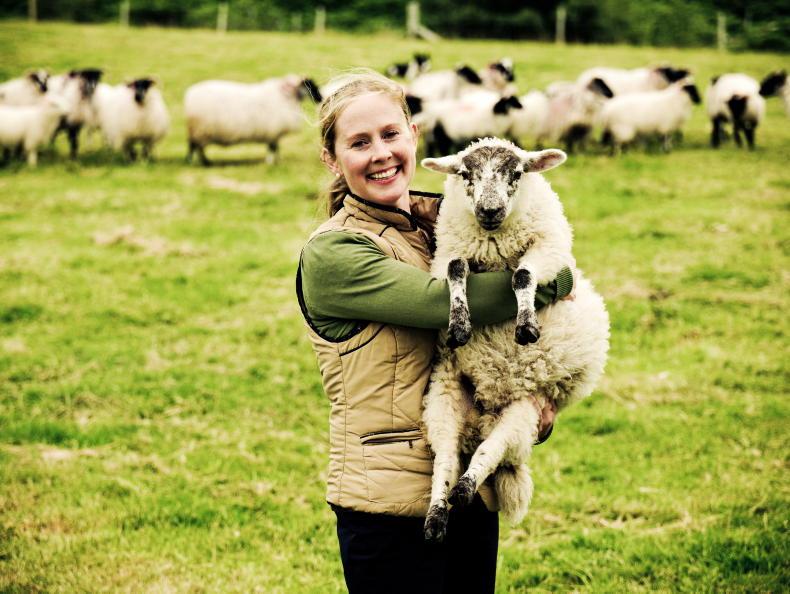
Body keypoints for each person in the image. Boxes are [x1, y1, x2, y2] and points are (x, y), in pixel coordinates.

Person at [296, 69, 574, 594]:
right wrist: (557, 279)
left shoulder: (449, 224)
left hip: (469, 489)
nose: (381, 153)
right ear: (331, 158)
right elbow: (440, 303)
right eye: (359, 143)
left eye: (390, 134)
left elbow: (504, 342)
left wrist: (532, 405)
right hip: (389, 504)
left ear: (414, 134)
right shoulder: (334, 253)